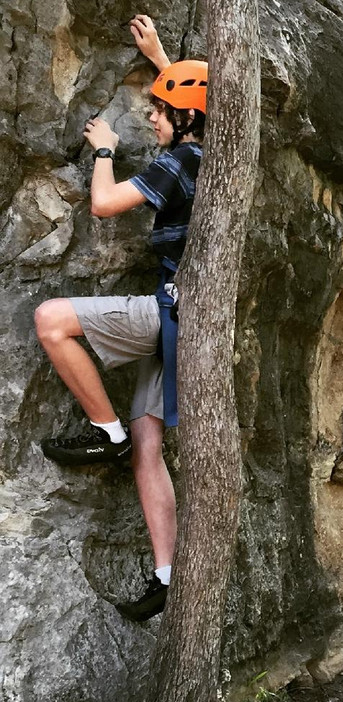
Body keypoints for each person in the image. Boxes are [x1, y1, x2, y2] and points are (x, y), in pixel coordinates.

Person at [34, 15, 206, 621]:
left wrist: (105, 151)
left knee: (52, 318)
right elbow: (200, 102)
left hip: (166, 313)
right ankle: (167, 575)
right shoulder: (211, 152)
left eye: (160, 111)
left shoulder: (177, 163)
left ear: (183, 119)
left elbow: (105, 205)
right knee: (150, 449)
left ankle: (104, 430)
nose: (152, 118)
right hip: (190, 324)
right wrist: (162, 57)